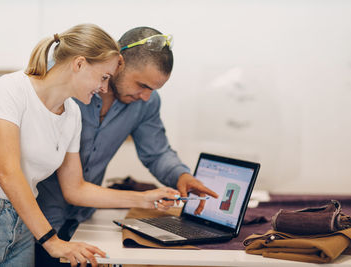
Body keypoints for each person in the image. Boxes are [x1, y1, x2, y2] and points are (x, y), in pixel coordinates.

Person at [0, 24, 179, 267]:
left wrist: (144, 199)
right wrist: (52, 241)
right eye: (104, 77)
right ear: (79, 64)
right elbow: (7, 173)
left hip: (23, 225)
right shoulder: (11, 88)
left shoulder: (72, 113)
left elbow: (75, 188)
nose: (104, 88)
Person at [36, 26, 219, 265]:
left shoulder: (146, 102)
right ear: (119, 62)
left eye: (153, 90)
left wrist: (181, 175)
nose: (145, 96)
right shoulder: (70, 88)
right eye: (142, 85)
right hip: (37, 218)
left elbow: (157, 151)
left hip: (83, 217)